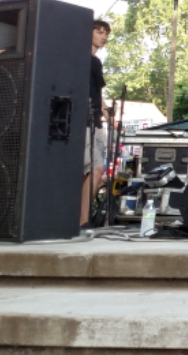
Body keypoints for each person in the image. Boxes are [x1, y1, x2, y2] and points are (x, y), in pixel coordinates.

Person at [81, 20, 111, 227]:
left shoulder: (95, 62)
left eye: (106, 33)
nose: (104, 36)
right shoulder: (81, 59)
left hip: (94, 121)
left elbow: (96, 93)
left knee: (96, 170)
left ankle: (82, 220)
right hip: (83, 122)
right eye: (99, 32)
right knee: (95, 169)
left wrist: (108, 113)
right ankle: (81, 220)